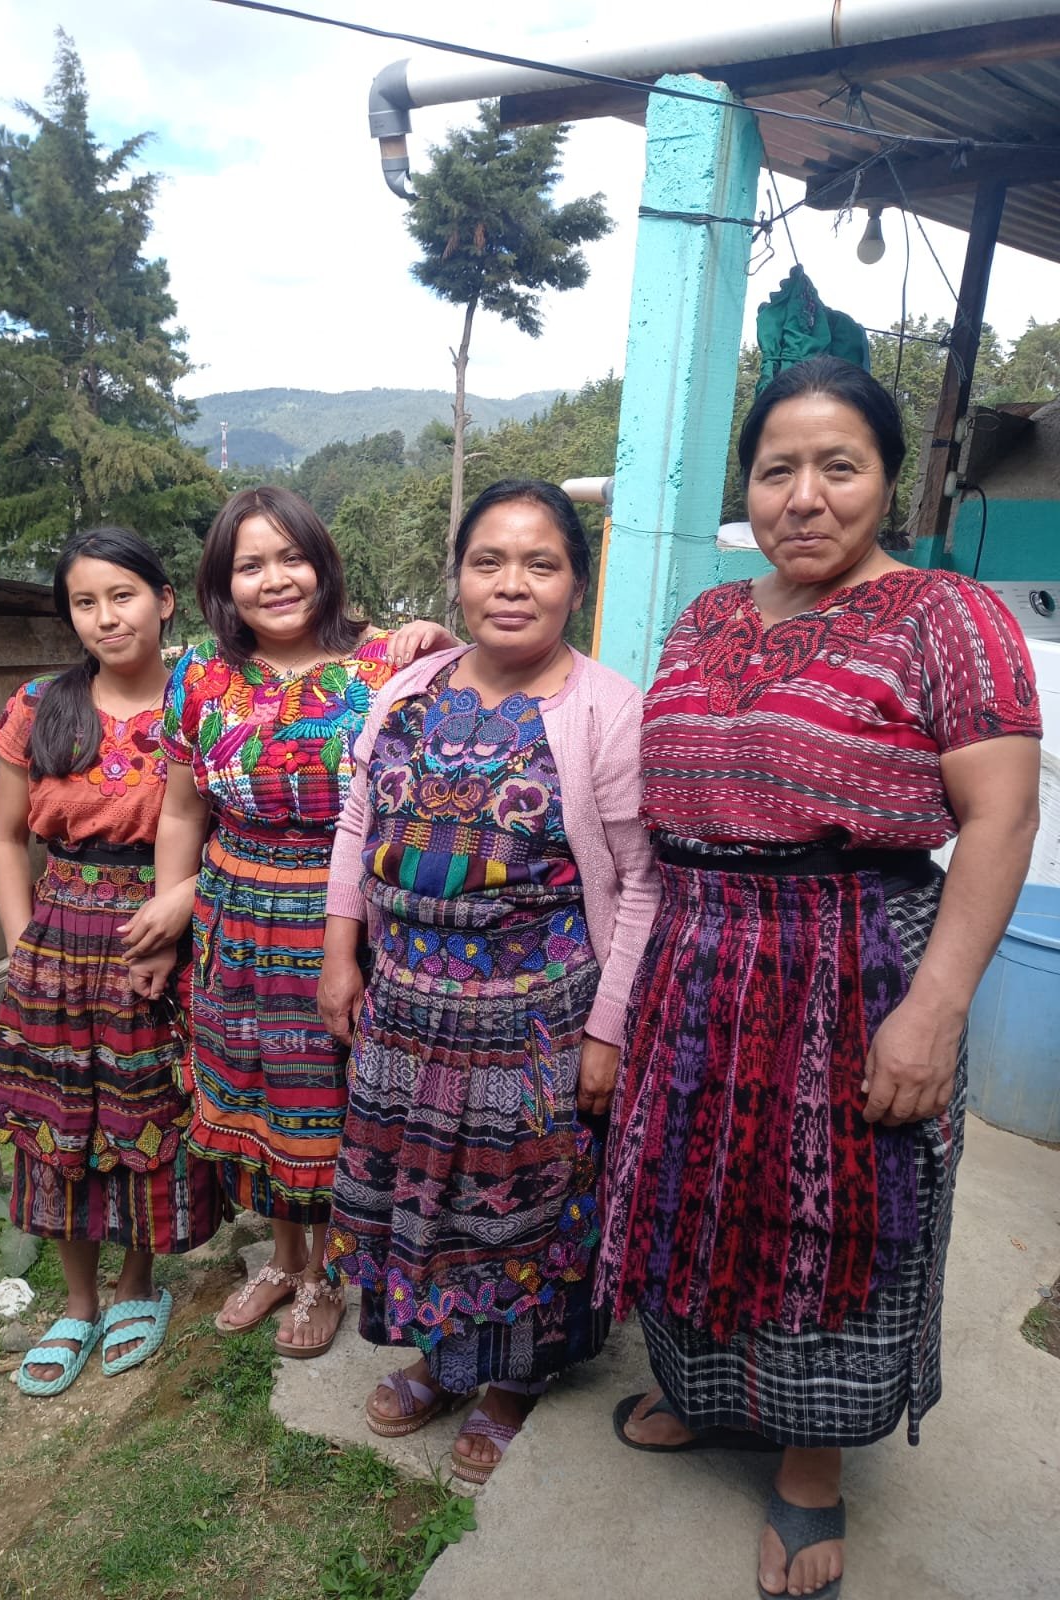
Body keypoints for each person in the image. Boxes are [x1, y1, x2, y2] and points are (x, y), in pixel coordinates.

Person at [597, 358, 1042, 1600]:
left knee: (830, 1217)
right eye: (776, 469)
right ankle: (708, 1395)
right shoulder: (706, 616)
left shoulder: (947, 617)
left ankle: (808, 1461)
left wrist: (934, 1009)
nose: (803, 496)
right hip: (696, 955)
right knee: (695, 1192)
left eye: (838, 465)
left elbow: (1001, 820)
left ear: (887, 478)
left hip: (853, 961)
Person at [319, 478, 661, 1484]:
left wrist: (608, 1029)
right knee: (425, 1194)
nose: (513, 585)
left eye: (541, 564)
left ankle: (514, 1379)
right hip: (406, 1009)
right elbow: (357, 825)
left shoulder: (606, 709)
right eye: (489, 562)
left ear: (576, 585)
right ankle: (442, 1358)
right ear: (459, 579)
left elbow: (640, 882)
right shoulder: (410, 690)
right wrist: (341, 952)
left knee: (523, 1205)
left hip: (534, 1019)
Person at [132, 487, 451, 1356]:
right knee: (258, 1090)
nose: (275, 580)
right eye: (251, 565)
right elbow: (181, 810)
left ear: (323, 564)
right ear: (222, 583)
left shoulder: (387, 663)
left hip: (343, 916)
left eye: (291, 558)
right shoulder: (200, 676)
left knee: (330, 1097)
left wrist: (440, 642)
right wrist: (171, 908)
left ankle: (329, 1271)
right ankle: (280, 1258)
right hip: (233, 918)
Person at [0, 528, 224, 1397]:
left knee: (147, 1112)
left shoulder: (203, 703)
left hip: (161, 938)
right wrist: (21, 943)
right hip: (57, 943)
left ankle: (135, 1284)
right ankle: (76, 1301)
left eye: (123, 595)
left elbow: (231, 828)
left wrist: (181, 904)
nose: (107, 617)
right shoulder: (40, 706)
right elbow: (5, 837)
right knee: (57, 1121)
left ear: (164, 600)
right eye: (85, 602)